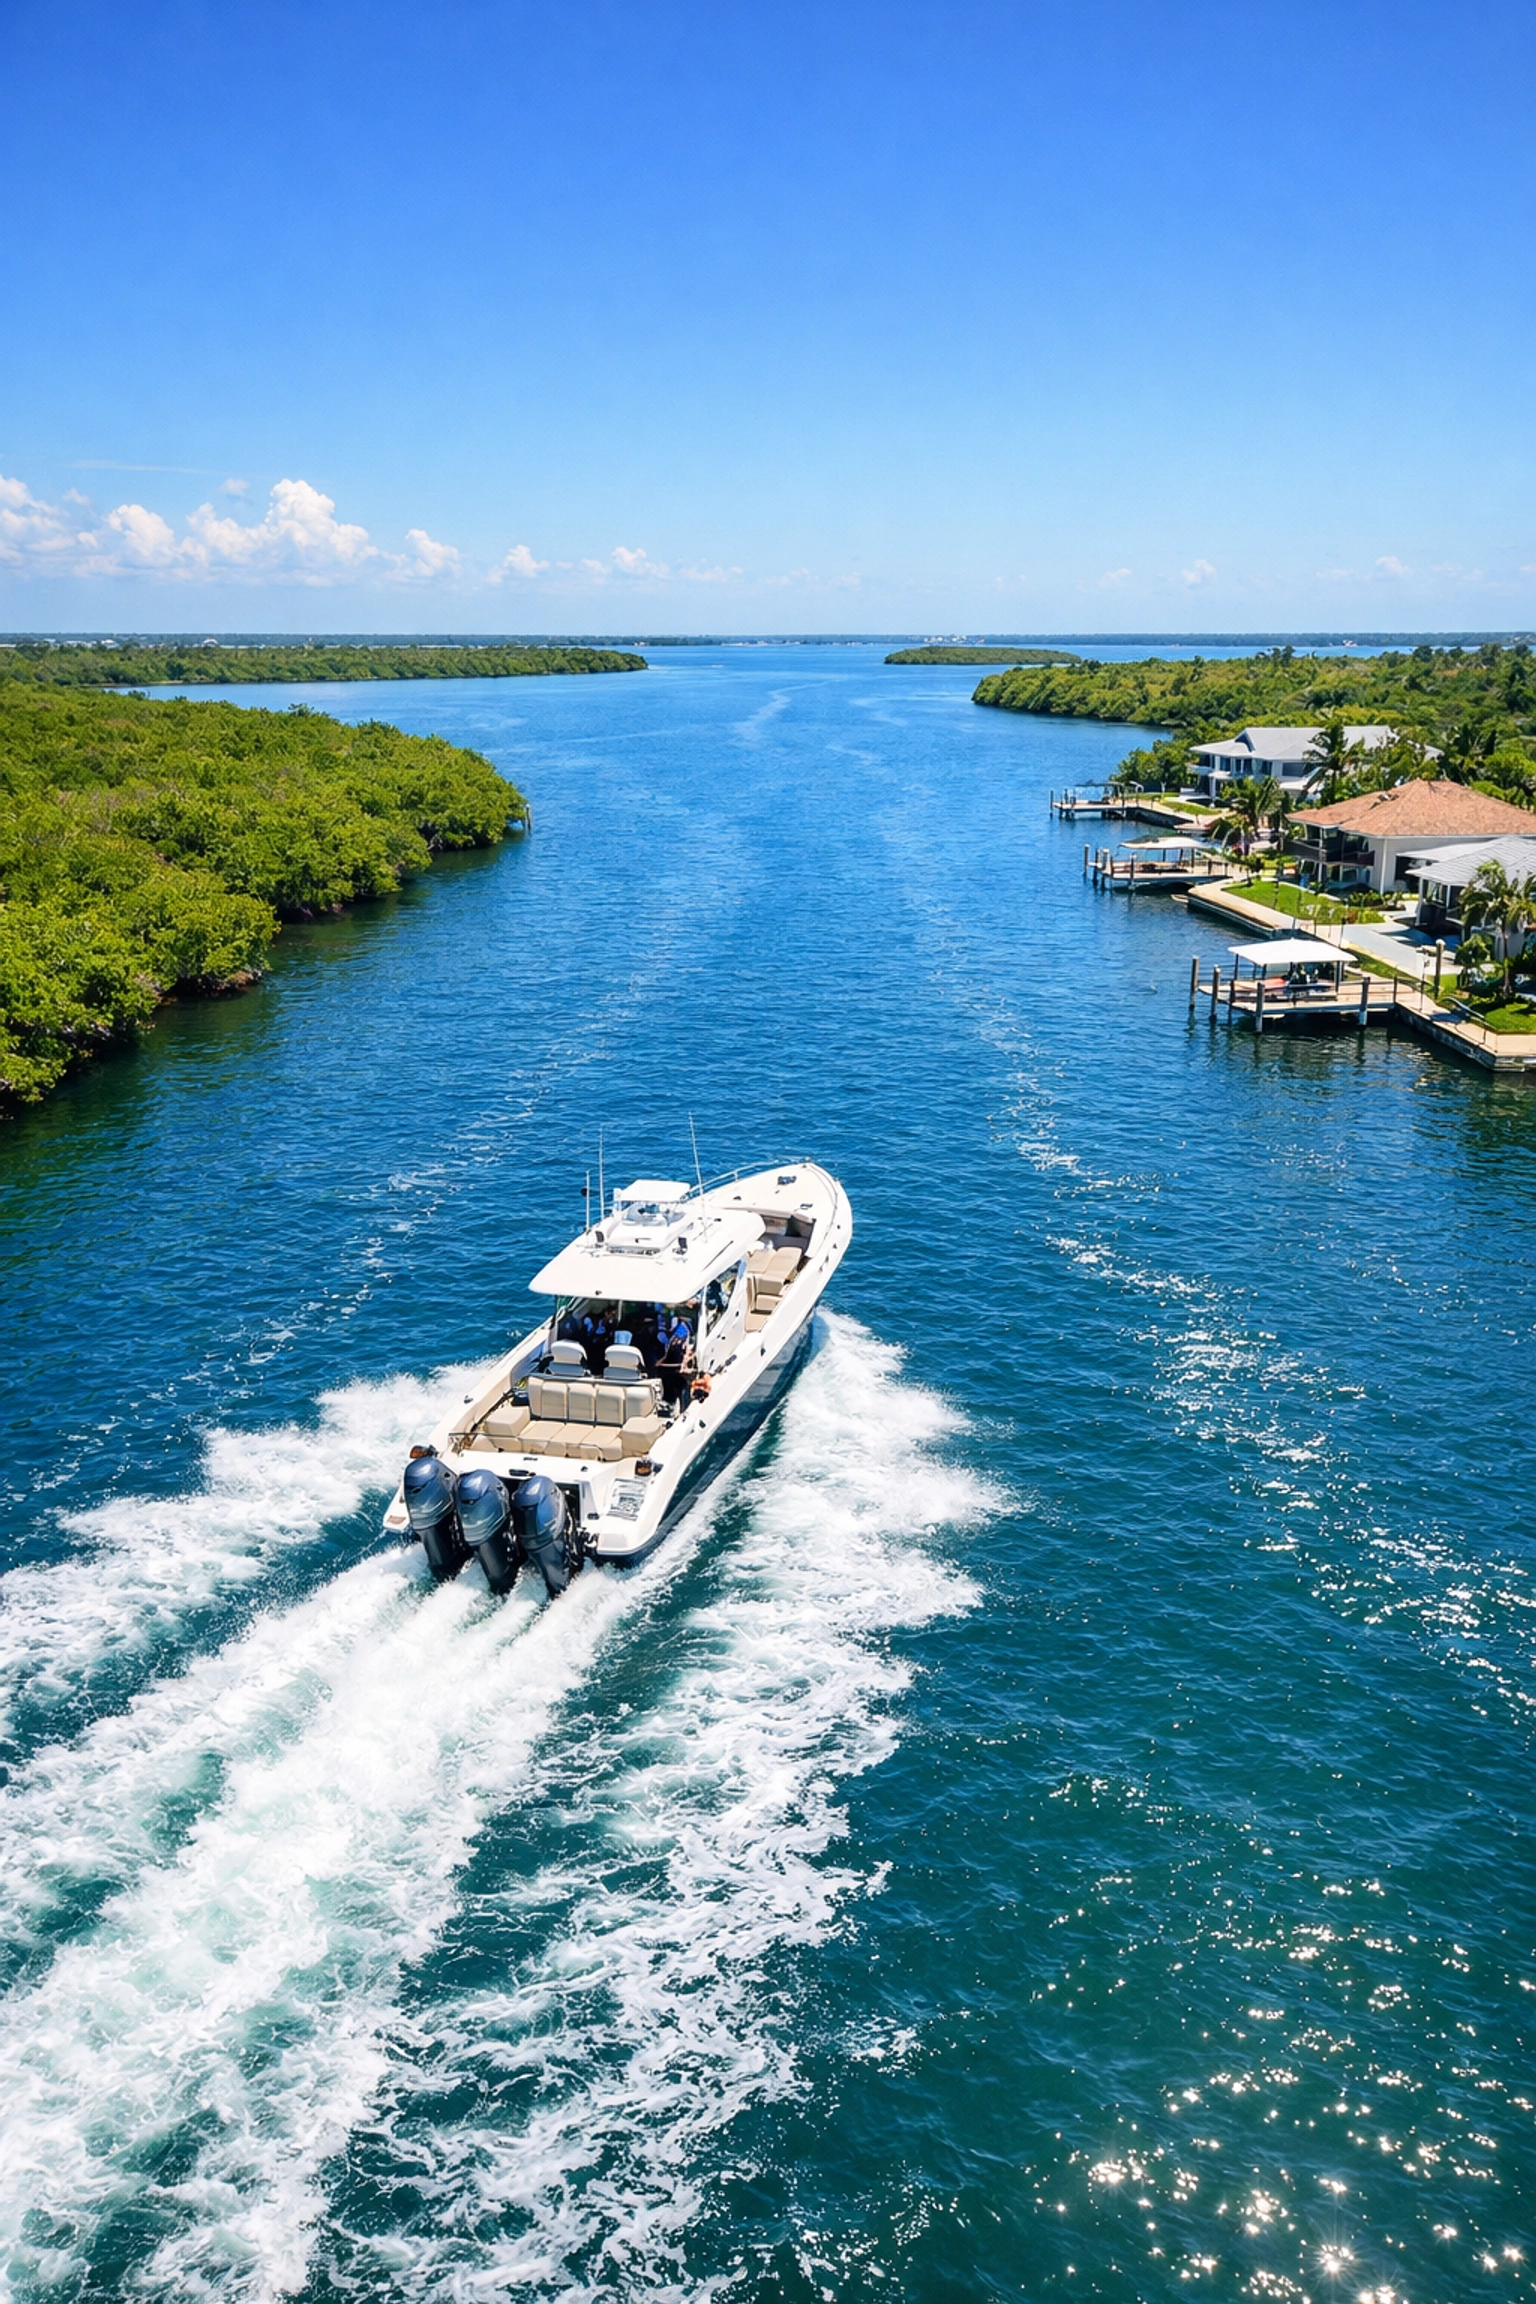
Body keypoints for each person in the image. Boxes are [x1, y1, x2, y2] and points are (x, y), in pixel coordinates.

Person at [657, 1309, 695, 1407]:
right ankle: (670, 1402)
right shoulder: (664, 1334)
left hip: (676, 1366)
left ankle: (674, 1401)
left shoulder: (683, 1329)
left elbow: (688, 1349)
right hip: (670, 1366)